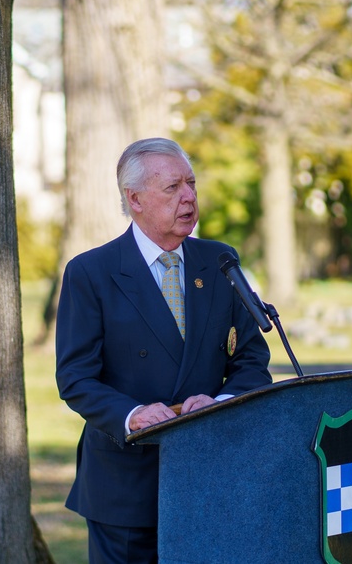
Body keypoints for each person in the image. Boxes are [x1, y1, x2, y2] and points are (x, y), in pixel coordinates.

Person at [55, 137, 273, 564]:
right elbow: (76, 378)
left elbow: (252, 361)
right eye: (172, 188)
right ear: (134, 199)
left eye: (191, 184)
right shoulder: (91, 272)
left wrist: (221, 403)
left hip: (208, 477)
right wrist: (132, 415)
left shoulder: (220, 261)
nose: (189, 197)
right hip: (125, 485)